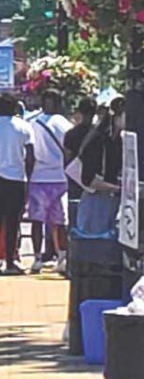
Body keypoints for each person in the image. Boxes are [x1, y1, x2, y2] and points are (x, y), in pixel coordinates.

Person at [0, 92, 35, 276]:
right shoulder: (24, 127)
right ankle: (11, 262)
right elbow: (31, 157)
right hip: (17, 180)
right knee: (13, 223)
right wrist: (28, 177)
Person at [28, 89, 73, 274]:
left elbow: (29, 152)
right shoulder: (64, 124)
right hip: (60, 178)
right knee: (59, 221)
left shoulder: (32, 122)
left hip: (37, 177)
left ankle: (37, 258)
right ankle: (61, 256)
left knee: (37, 220)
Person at [77, 96, 125, 237]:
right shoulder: (99, 139)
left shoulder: (119, 140)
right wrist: (116, 188)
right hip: (96, 199)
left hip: (111, 200)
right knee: (93, 242)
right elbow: (88, 178)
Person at [63, 96, 97, 230]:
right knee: (94, 218)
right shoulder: (101, 133)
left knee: (74, 218)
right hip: (95, 180)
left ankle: (74, 245)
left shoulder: (71, 134)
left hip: (75, 180)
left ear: (80, 112)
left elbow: (67, 158)